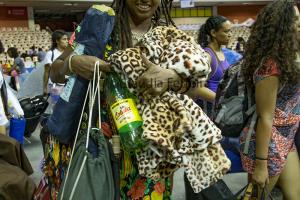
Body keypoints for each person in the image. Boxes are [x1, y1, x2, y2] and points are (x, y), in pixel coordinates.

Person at [47, 0, 212, 199]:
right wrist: (73, 63)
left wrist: (171, 77)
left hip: (152, 150)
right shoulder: (100, 25)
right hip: (98, 143)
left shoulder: (170, 35)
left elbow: (195, 86)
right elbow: (56, 72)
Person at [240, 1, 300, 199]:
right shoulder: (271, 65)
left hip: (287, 139)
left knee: (294, 196)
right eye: (295, 21)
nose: (299, 25)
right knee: (258, 197)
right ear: (282, 27)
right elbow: (265, 117)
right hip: (269, 144)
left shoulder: (288, 58)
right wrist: (260, 165)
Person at [188, 16, 232, 118]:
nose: (230, 35)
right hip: (208, 110)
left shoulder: (221, 52)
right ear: (213, 33)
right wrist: (222, 101)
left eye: (230, 31)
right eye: (226, 32)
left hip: (219, 108)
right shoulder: (207, 55)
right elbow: (197, 88)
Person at [42, 30, 68, 95]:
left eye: (67, 39)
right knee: (56, 105)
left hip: (68, 86)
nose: (67, 41)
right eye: (64, 39)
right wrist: (45, 88)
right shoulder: (51, 54)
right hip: (55, 86)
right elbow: (46, 72)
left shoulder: (69, 53)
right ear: (57, 41)